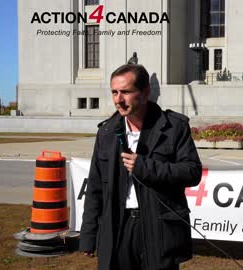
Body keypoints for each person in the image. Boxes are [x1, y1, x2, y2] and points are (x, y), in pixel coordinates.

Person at [79, 64, 202, 270]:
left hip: (158, 228)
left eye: (125, 92)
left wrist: (147, 168)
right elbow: (95, 188)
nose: (118, 99)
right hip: (118, 227)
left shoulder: (173, 127)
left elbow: (192, 172)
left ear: (145, 93)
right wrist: (89, 235)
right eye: (114, 92)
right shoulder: (108, 132)